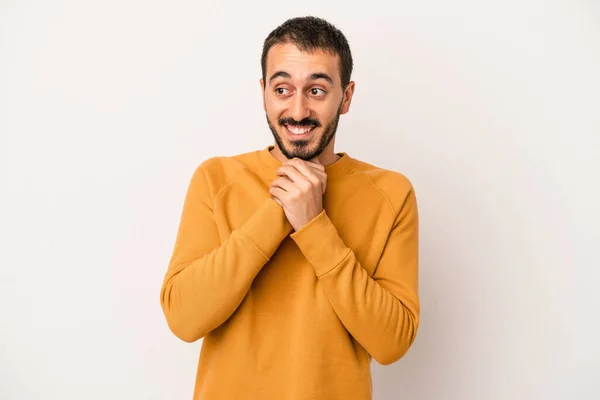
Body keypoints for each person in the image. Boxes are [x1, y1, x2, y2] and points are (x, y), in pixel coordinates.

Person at [160, 16, 420, 400]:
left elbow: (392, 342)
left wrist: (314, 225)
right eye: (283, 89)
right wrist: (277, 211)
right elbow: (183, 319)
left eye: (316, 90)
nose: (297, 111)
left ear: (345, 98)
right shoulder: (216, 178)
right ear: (264, 91)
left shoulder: (391, 193)